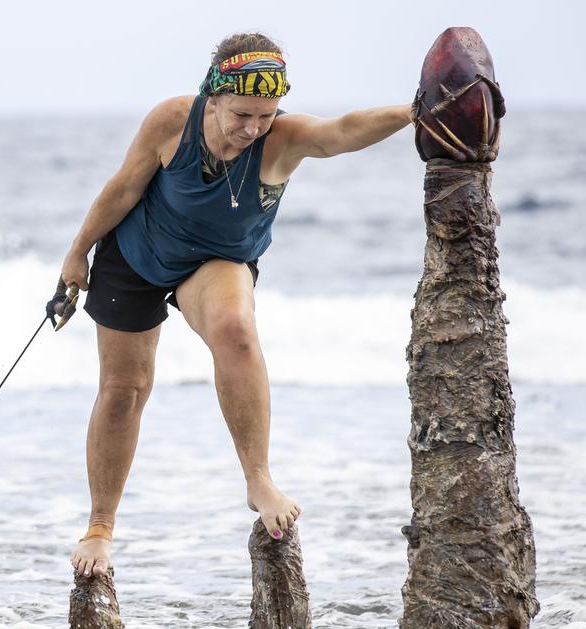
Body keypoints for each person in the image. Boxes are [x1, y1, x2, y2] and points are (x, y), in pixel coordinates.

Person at [60, 33, 412, 577]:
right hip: (135, 256)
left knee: (236, 331)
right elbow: (124, 188)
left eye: (265, 115)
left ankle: (258, 478)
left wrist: (416, 111)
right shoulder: (172, 121)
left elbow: (343, 131)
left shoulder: (282, 139)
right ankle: (100, 527)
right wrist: (77, 254)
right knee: (125, 391)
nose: (253, 128)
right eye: (242, 114)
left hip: (217, 262)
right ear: (214, 97)